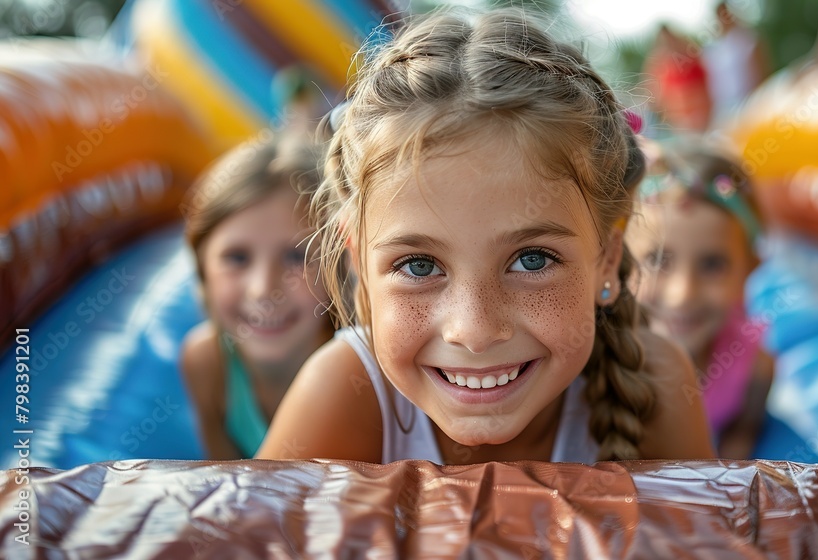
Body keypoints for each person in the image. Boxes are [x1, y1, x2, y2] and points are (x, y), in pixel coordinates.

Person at [257, 8, 715, 464]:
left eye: (532, 259)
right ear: (359, 265)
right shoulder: (346, 395)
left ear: (607, 259)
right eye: (419, 265)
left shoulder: (655, 388)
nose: (474, 331)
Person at [180, 126, 341, 460]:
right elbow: (228, 487)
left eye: (297, 256)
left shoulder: (361, 372)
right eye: (237, 258)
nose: (264, 289)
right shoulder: (209, 364)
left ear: (336, 266)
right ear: (202, 269)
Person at [626, 141, 773, 459]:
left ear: (751, 268)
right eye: (658, 260)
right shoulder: (597, 366)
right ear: (618, 259)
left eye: (712, 265)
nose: (682, 295)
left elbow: (743, 432)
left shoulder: (753, 362)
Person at [701, 1, 769, 123]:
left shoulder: (746, 39)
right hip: (723, 108)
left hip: (748, 102)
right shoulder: (714, 47)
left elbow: (761, 69)